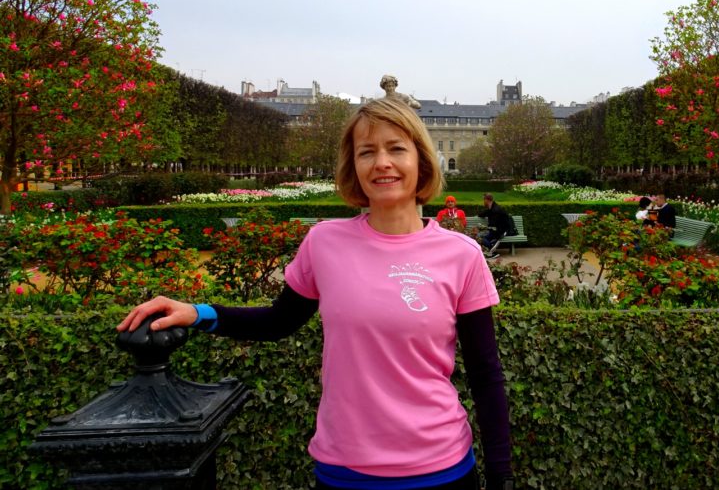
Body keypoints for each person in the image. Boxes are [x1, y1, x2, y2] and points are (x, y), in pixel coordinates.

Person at [117, 97, 513, 490]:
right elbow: (278, 321)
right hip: (345, 469)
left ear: (422, 161)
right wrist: (199, 312)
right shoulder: (324, 243)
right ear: (353, 166)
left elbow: (485, 373)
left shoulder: (461, 255)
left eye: (396, 148)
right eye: (366, 152)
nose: (382, 163)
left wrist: (501, 474)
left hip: (441, 469)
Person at [478, 193, 512, 259]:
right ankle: (492, 249)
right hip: (497, 230)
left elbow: (493, 224)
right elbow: (481, 214)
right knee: (483, 238)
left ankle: (494, 253)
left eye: (484, 199)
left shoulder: (495, 210)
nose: (483, 201)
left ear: (487, 200)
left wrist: (484, 227)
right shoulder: (492, 208)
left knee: (481, 238)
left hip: (501, 231)